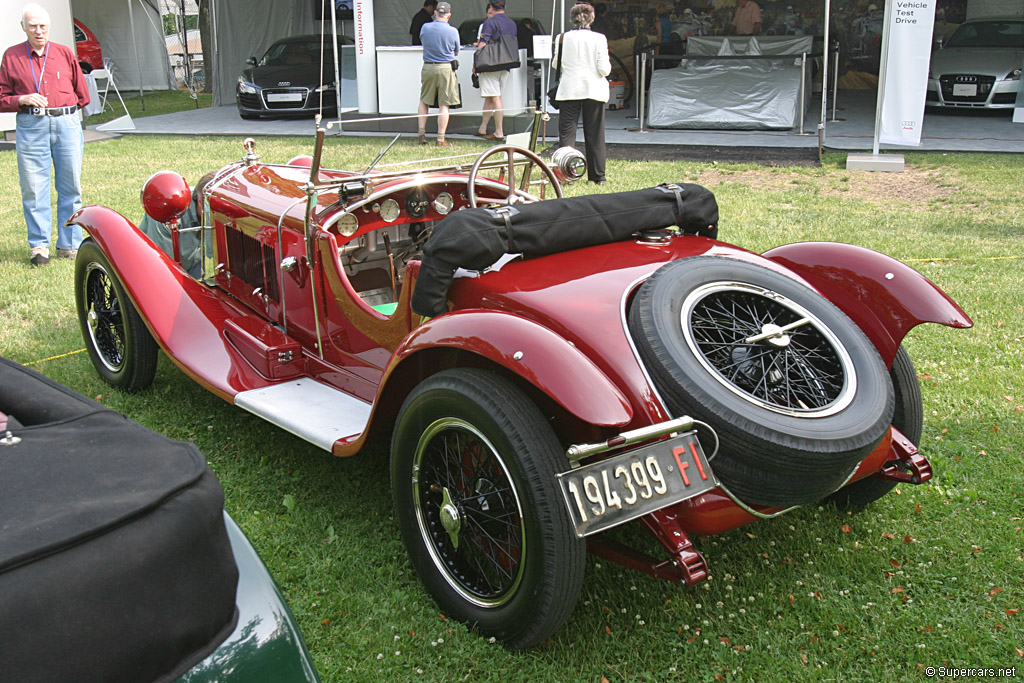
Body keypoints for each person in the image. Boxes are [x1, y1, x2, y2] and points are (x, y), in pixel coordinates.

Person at [0, 3, 90, 266]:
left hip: (66, 124)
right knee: (34, 187)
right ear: (23, 28)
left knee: (70, 185)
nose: (39, 31)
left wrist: (66, 113)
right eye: (33, 26)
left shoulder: (63, 53)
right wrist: (23, 98)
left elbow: (81, 94)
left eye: (43, 26)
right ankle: (39, 246)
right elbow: (2, 97)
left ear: (48, 27)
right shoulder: (12, 57)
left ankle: (69, 244)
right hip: (32, 126)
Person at [553, 2, 610, 185]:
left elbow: (556, 64)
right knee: (595, 135)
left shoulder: (562, 38)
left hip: (569, 89)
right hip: (593, 89)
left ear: (572, 18)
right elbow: (604, 69)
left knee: (567, 136)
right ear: (591, 19)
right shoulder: (599, 38)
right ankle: (598, 176)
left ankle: (565, 174)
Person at [417, 1, 459, 147]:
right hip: (446, 68)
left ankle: (421, 134)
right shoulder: (453, 31)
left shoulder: (425, 27)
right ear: (449, 15)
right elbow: (456, 51)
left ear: (435, 13)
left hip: (428, 67)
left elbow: (422, 41)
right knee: (444, 104)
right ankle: (440, 139)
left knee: (424, 100)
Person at [473, 0, 516, 140]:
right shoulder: (512, 23)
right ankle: (483, 128)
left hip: (490, 64)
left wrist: (476, 63)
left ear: (491, 7)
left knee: (495, 97)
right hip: (506, 64)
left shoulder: (489, 22)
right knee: (492, 97)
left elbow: (483, 44)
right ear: (505, 7)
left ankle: (499, 131)